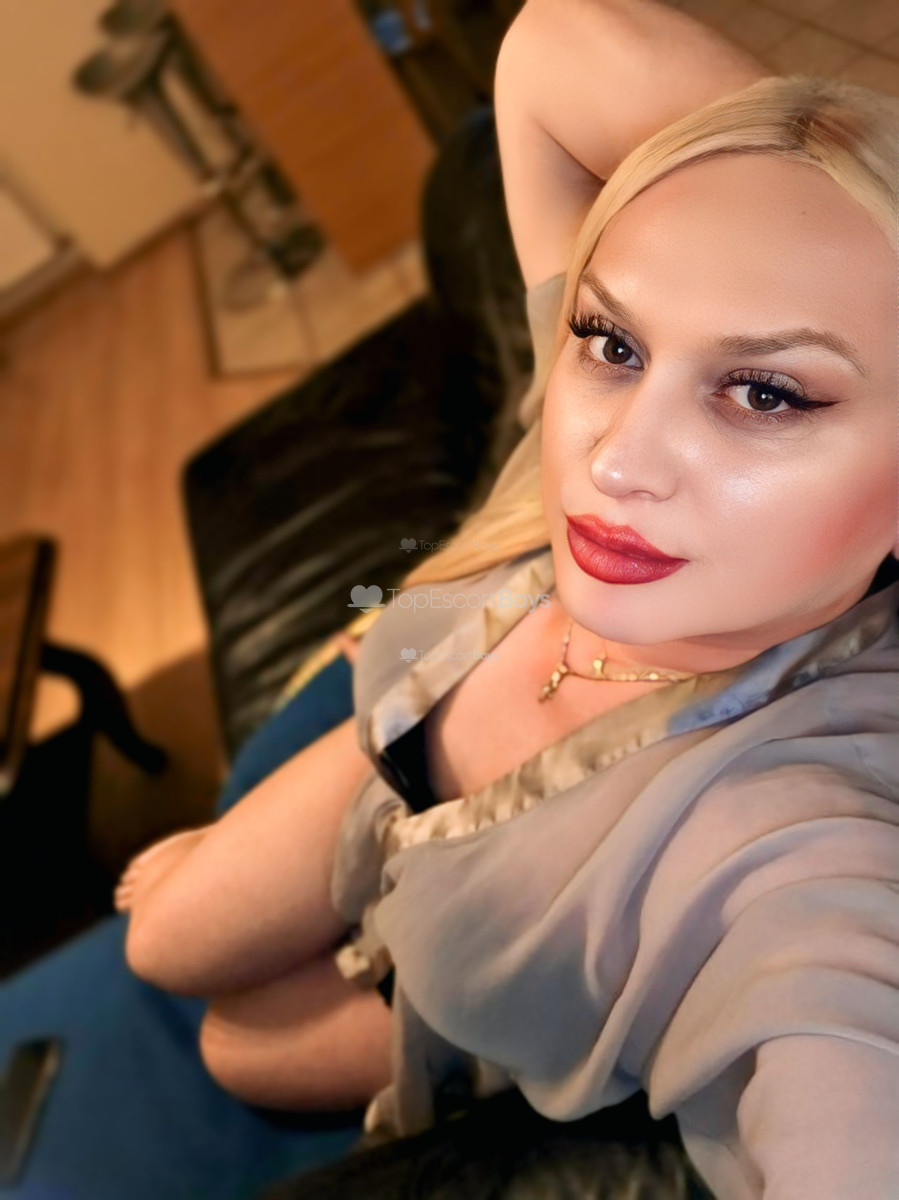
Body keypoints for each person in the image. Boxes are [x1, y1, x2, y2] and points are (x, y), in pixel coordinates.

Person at [119, 2, 899, 1196]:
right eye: (614, 342)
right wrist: (802, 173)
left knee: (234, 1046)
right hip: (393, 764)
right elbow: (555, 39)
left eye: (765, 394)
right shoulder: (588, 428)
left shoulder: (794, 835)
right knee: (161, 940)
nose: (613, 462)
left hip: (468, 989)